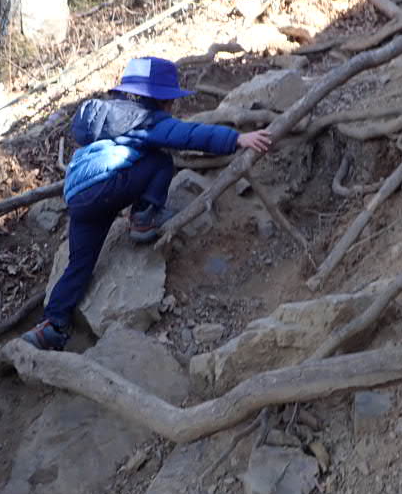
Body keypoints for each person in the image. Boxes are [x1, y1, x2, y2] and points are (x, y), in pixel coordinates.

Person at [23, 56, 273, 351]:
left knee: (79, 264)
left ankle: (52, 325)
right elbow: (189, 135)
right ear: (162, 100)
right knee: (161, 160)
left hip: (78, 196)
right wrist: (236, 139)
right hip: (106, 185)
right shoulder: (147, 120)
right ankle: (143, 218)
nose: (173, 106)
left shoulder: (109, 117)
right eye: (171, 100)